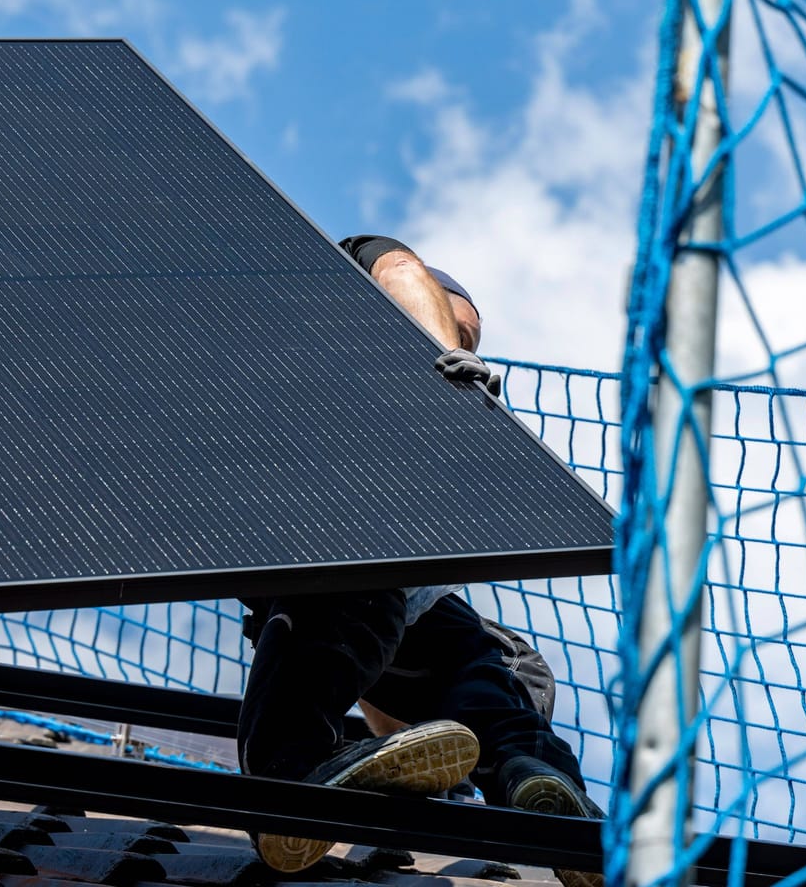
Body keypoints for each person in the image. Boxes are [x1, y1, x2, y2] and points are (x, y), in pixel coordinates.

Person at [242, 234, 597, 876]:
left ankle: (535, 778)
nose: (470, 346)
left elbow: (377, 670)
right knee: (338, 618)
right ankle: (287, 785)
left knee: (500, 666)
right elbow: (398, 268)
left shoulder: (437, 457)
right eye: (461, 323)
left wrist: (403, 757)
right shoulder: (348, 297)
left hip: (406, 588)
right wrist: (442, 364)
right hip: (327, 541)